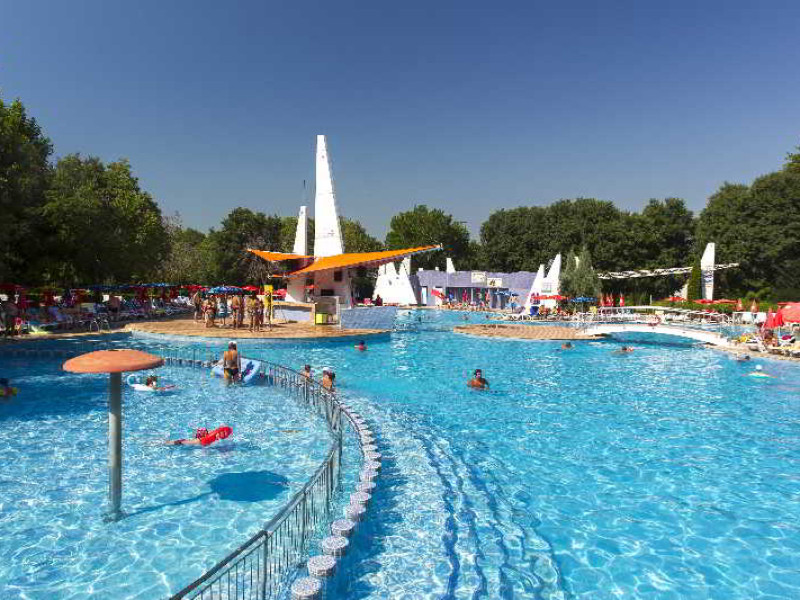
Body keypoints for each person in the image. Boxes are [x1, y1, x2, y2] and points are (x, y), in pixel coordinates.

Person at [164, 426, 231, 446]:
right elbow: (183, 442)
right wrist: (170, 443)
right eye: (221, 433)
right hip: (200, 437)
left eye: (223, 435)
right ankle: (166, 442)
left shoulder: (213, 434)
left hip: (201, 432)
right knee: (184, 441)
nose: (220, 435)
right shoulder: (203, 439)